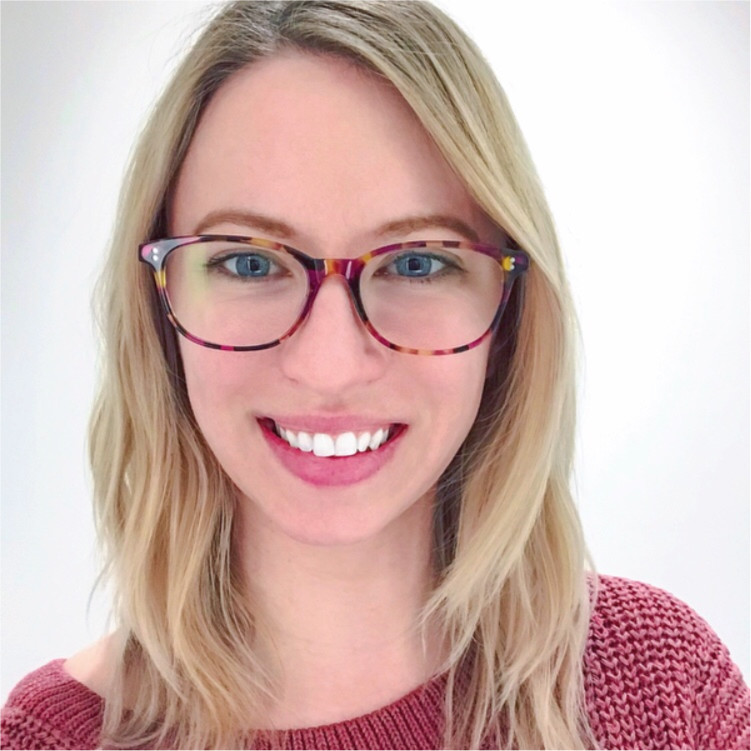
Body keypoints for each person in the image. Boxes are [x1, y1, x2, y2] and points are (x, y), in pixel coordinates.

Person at [1, 1, 748, 749]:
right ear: (157, 307)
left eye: (417, 263)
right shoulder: (58, 738)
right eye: (248, 262)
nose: (328, 365)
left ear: (512, 314)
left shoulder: (658, 684)